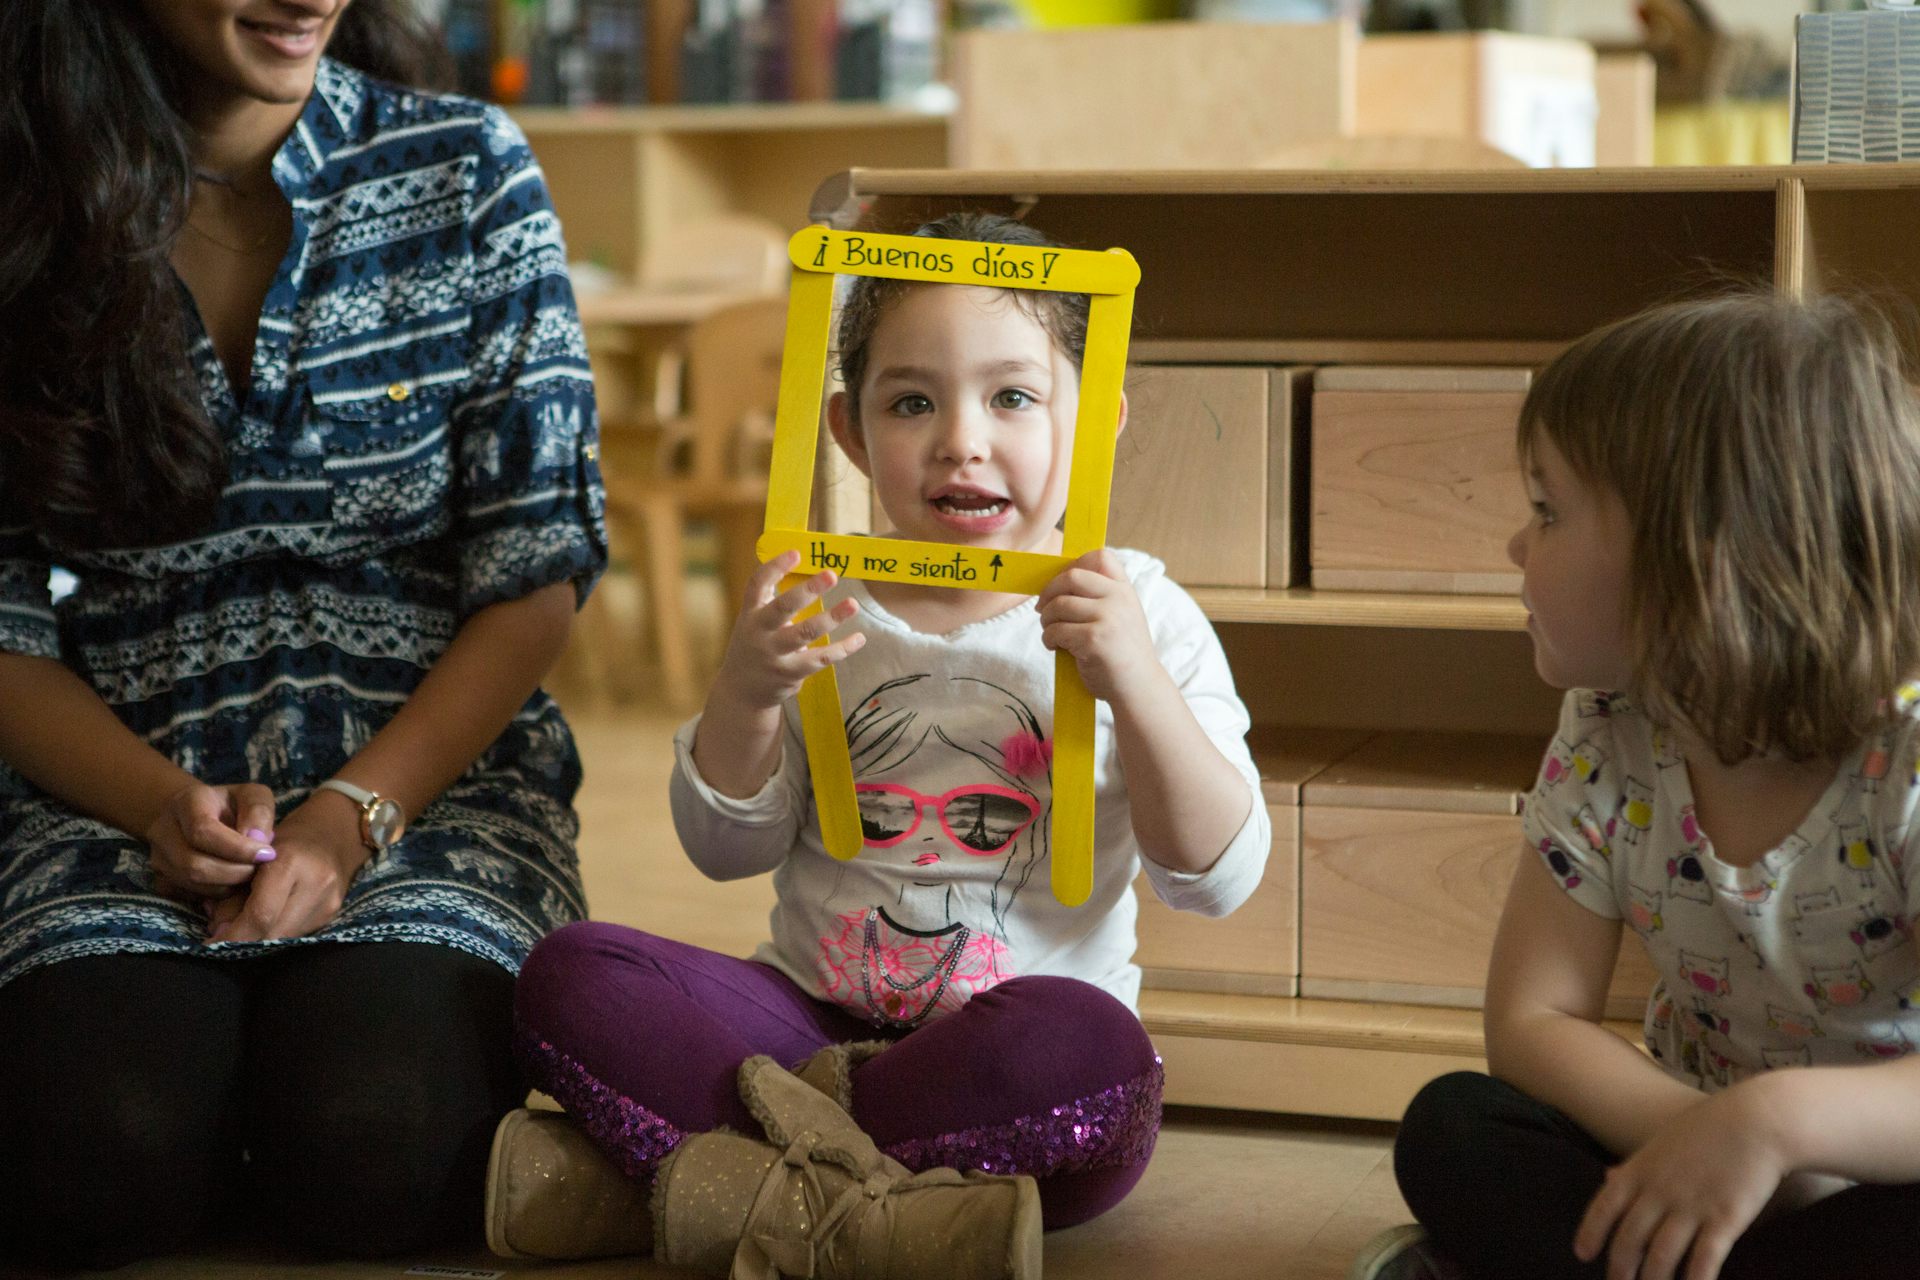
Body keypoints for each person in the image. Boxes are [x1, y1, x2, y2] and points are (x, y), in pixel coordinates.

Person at [492, 211, 1271, 1275]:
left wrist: (1132, 676)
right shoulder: (817, 605)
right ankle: (884, 1214)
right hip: (805, 1027)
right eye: (913, 400)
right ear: (851, 432)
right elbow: (724, 846)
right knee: (568, 972)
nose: (962, 437)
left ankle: (708, 1187)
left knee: (1096, 1060)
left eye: (1014, 397)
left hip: (1008, 1049)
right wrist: (748, 688)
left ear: (1093, 424)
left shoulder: (1145, 610)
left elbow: (1216, 874)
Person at [0, 0, 605, 1267]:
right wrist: (161, 805)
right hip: (108, 792)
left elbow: (535, 569)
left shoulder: (465, 166)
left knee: (378, 1136)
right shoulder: (23, 206)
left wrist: (352, 814)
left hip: (434, 789)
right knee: (94, 1146)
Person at [1356, 293, 1920, 1280]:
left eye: (1547, 510)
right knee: (1454, 1124)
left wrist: (1779, 1127)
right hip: (1681, 1144)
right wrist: (1706, 1138)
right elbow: (1534, 1019)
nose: (1516, 547)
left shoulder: (1905, 758)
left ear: (1699, 558)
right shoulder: (1609, 727)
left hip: (1875, 1172)